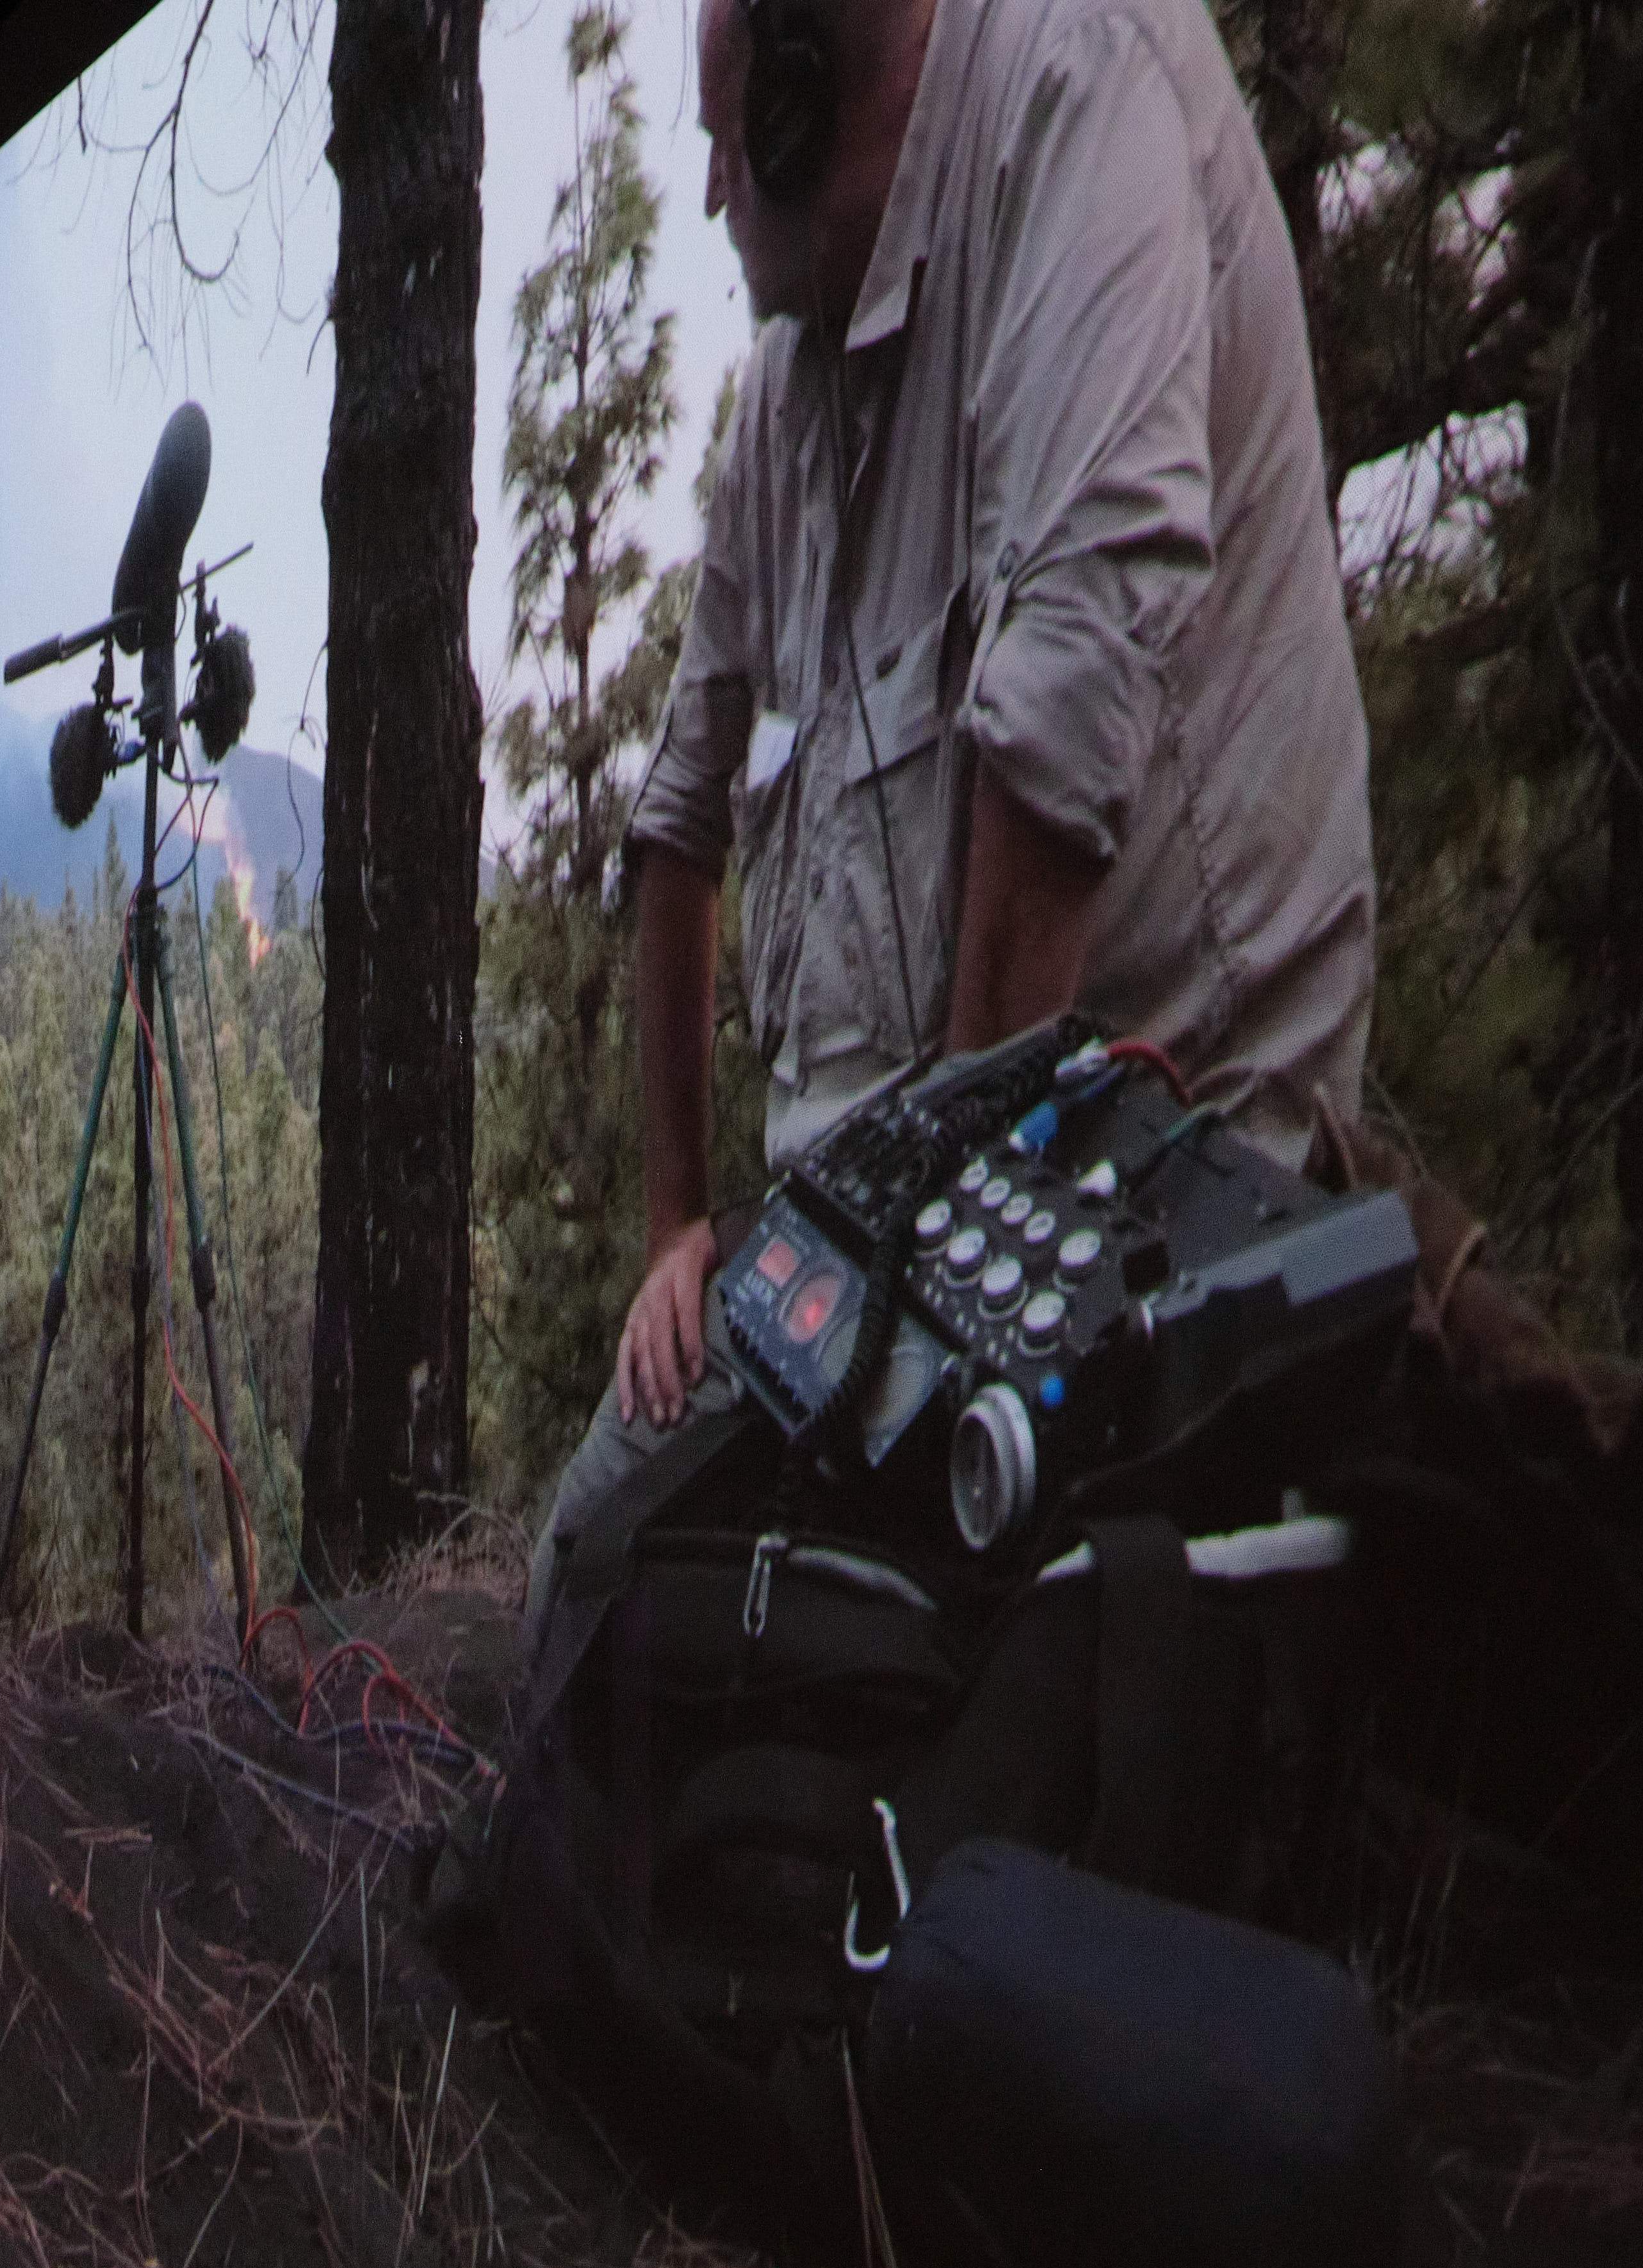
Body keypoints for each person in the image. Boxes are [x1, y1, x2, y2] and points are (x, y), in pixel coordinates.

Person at [517, 0, 1376, 1637]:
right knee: (592, 1558)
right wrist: (675, 1227)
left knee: (844, 1673)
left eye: (717, 146)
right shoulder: (787, 404)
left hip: (1143, 1198)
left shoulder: (1075, 87)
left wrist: (918, 1349)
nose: (703, 198)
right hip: (857, 1242)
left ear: (793, 112)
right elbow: (678, 813)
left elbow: (1061, 711)